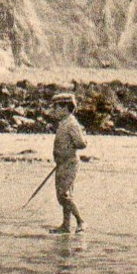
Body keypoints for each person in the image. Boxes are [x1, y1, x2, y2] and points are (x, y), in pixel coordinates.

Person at [50, 93, 87, 234]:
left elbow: (81, 144)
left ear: (65, 107)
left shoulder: (71, 123)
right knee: (63, 195)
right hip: (61, 163)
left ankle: (81, 221)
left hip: (70, 163)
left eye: (56, 107)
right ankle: (66, 226)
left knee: (64, 195)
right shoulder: (64, 122)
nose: (54, 110)